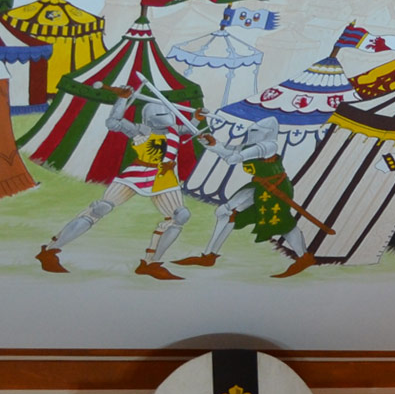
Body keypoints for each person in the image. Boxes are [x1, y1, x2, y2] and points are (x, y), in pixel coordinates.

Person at [37, 88, 200, 280]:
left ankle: (151, 263)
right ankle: (50, 251)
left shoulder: (174, 131)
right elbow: (113, 123)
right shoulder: (141, 130)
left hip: (165, 178)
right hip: (138, 174)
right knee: (101, 208)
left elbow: (189, 129)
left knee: (180, 215)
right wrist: (122, 100)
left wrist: (197, 118)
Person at [171, 114, 308, 272]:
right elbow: (232, 150)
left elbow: (234, 158)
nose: (253, 134)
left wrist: (218, 148)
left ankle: (304, 257)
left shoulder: (269, 146)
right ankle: (208, 256)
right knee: (225, 212)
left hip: (276, 188)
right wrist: (213, 144)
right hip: (260, 185)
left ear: (267, 132)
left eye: (257, 131)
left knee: (281, 221)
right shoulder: (253, 146)